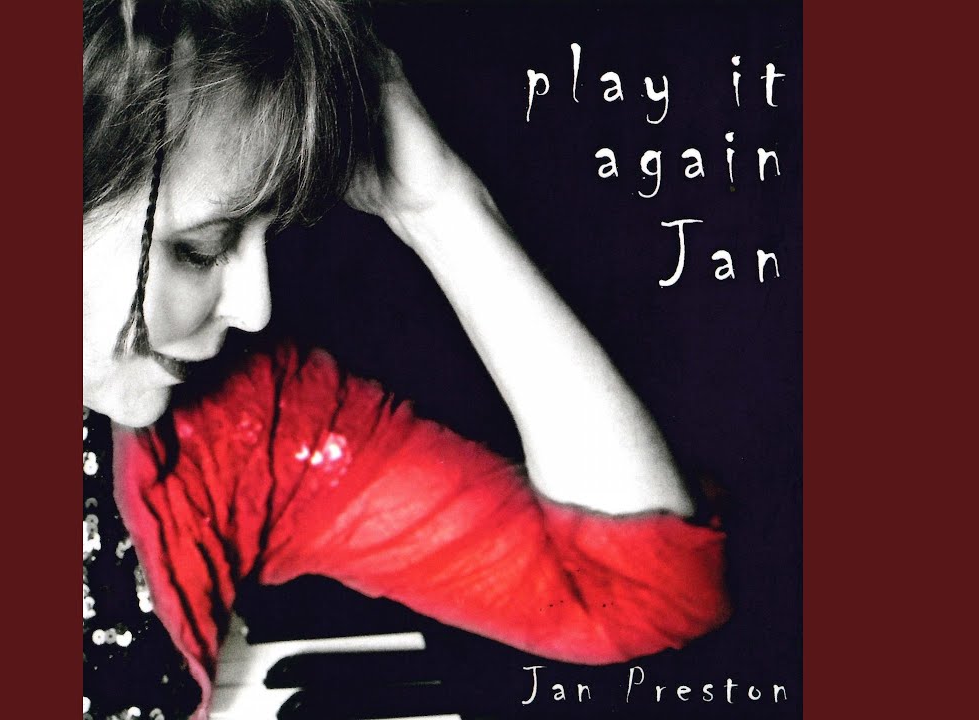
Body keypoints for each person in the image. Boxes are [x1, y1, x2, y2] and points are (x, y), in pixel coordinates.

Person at [82, 1, 730, 718]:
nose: (255, 308)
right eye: (200, 249)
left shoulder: (238, 431)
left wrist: (440, 209)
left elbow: (636, 590)